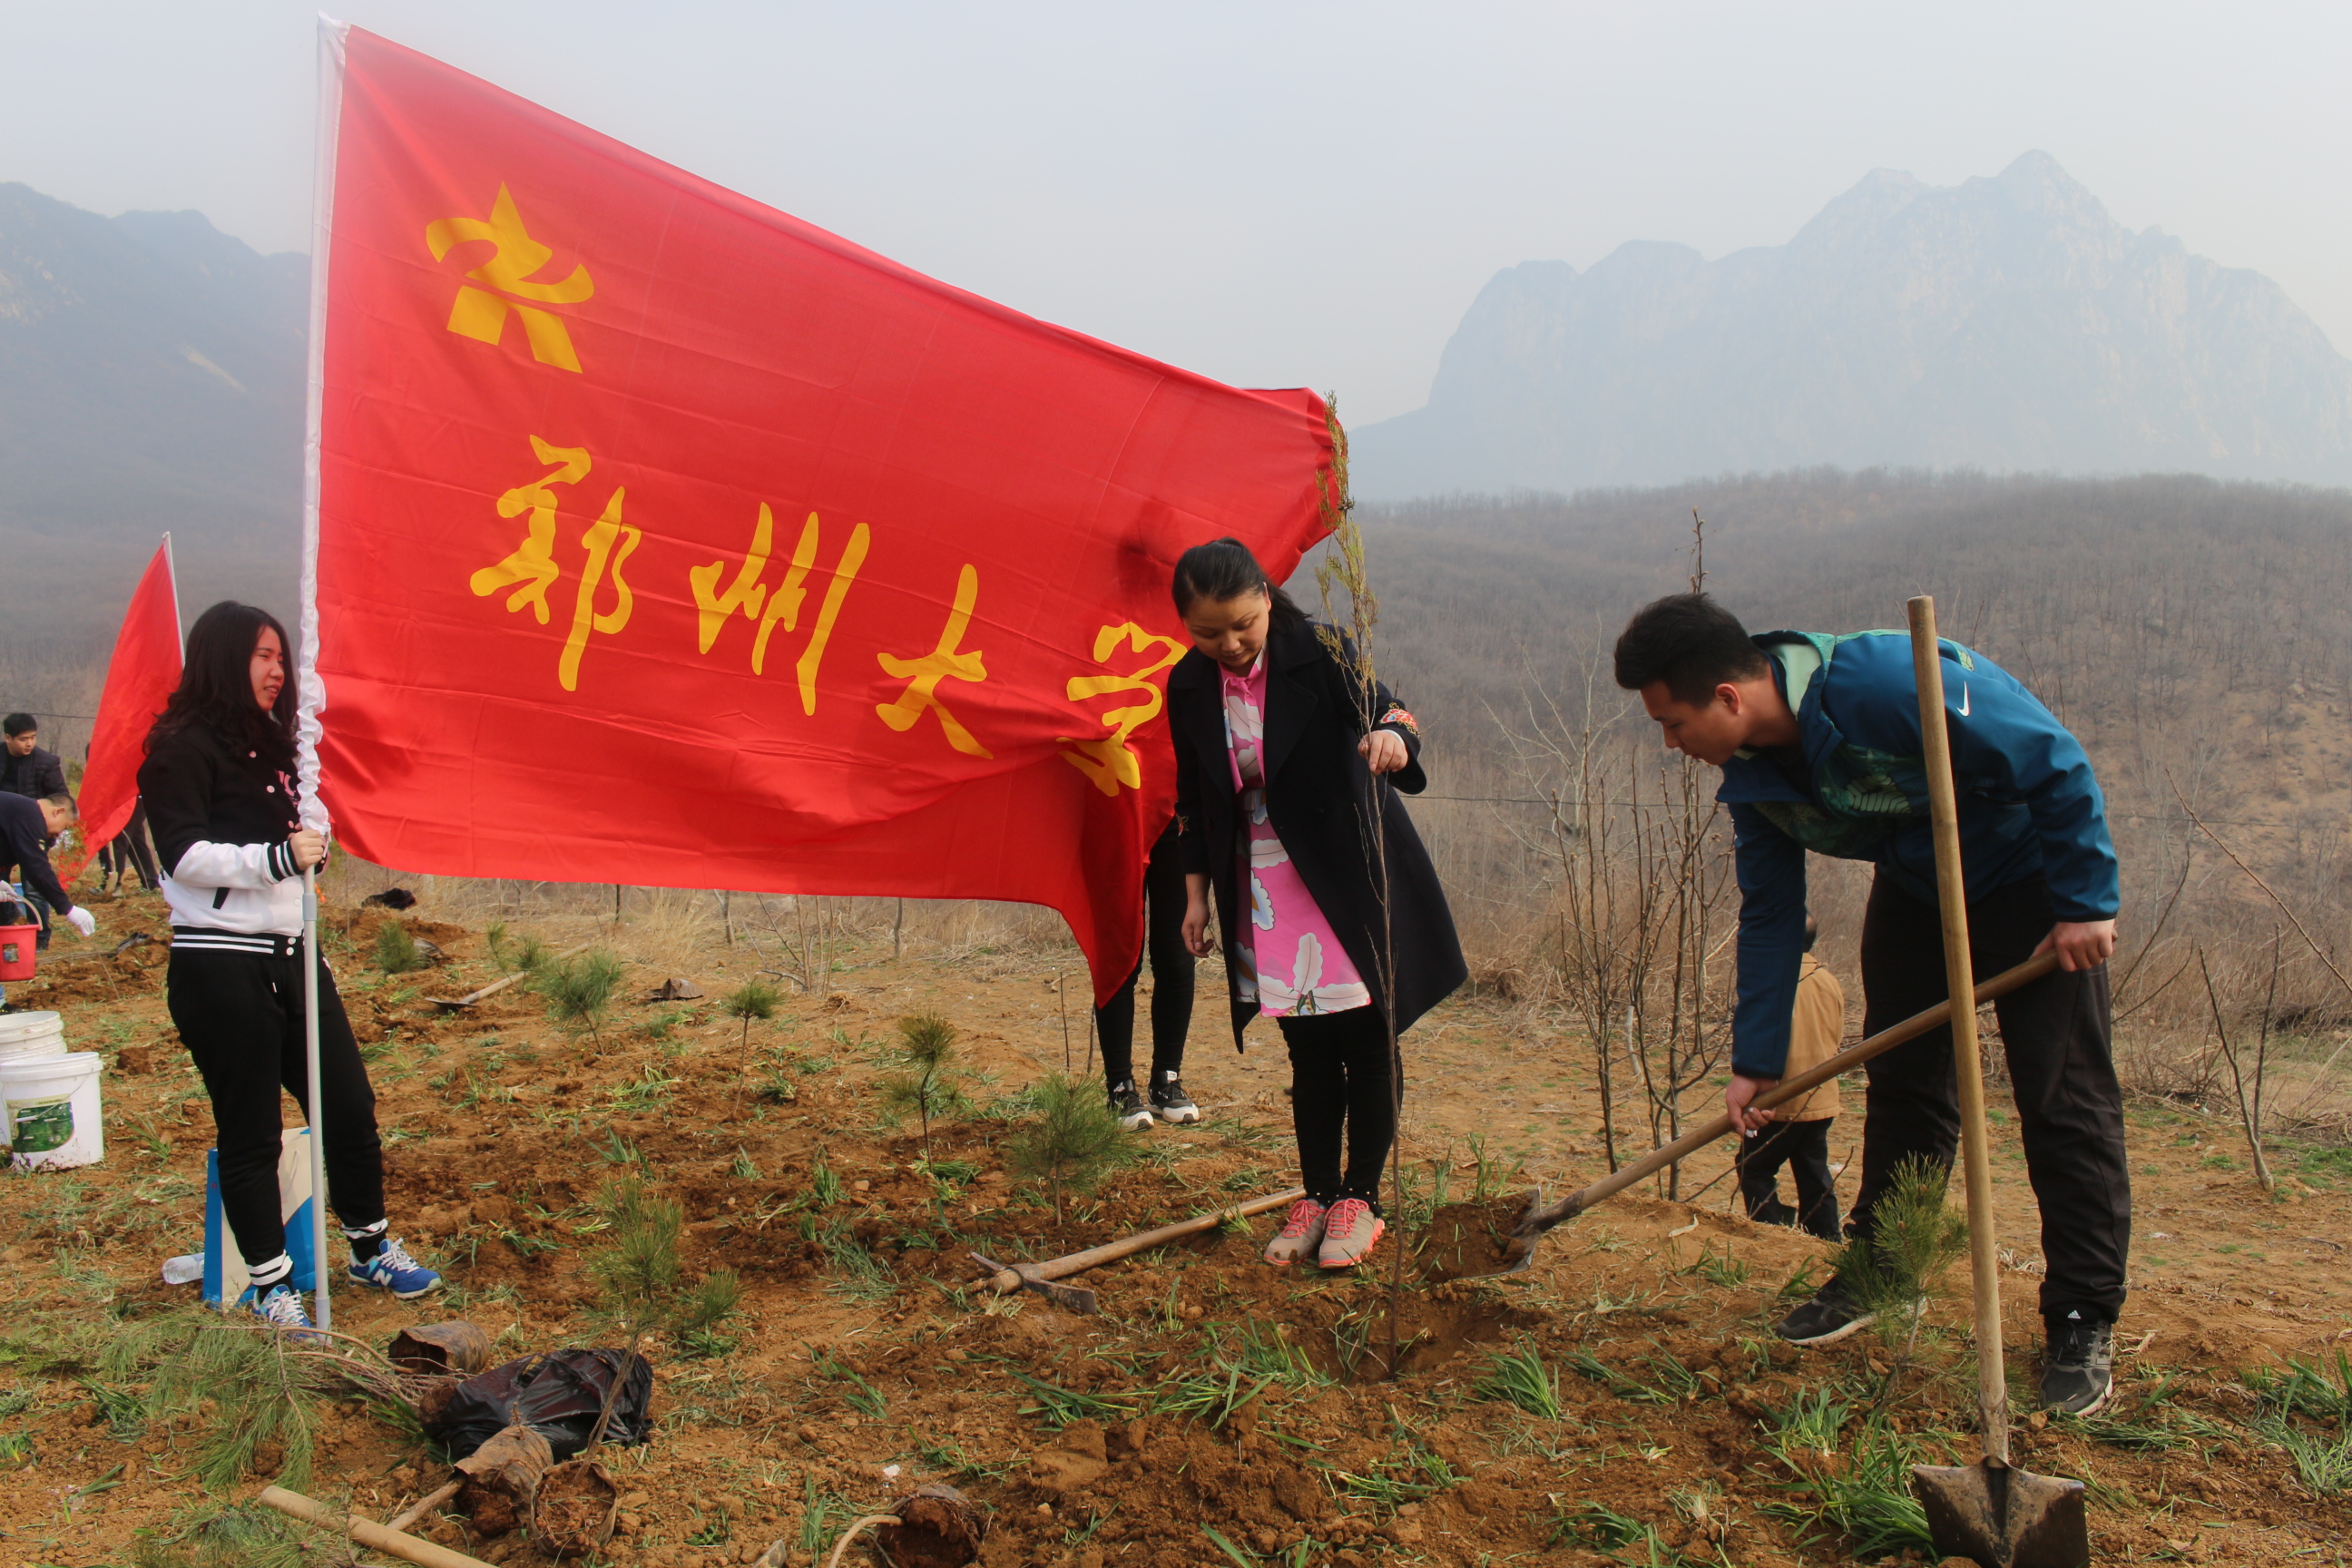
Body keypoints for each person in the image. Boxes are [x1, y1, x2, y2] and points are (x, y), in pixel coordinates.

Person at [1612, 593, 2127, 1416]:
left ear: (1728, 698)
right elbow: (1773, 920)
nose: (1673, 745)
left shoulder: (1880, 682)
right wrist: (1755, 1065)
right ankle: (1886, 1267)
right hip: (1920, 884)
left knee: (2063, 1099)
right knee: (1905, 1081)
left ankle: (2081, 1315)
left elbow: (2051, 755)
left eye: (1673, 724)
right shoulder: (1754, 778)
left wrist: (2086, 900)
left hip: (2031, 878)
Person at [137, 601, 440, 1332]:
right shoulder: (179, 747)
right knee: (252, 1134)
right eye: (264, 656)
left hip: (296, 954)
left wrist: (310, 842)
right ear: (223, 657)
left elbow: (301, 840)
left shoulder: (281, 748)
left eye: (283, 658)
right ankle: (273, 1285)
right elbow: (182, 854)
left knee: (348, 1107)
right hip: (220, 965)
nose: (278, 672)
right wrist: (276, 857)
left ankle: (370, 1246)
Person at [1169, 538, 1466, 1271]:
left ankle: (1361, 1199)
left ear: (1267, 599)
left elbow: (1393, 710)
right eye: (1208, 633)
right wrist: (1196, 898)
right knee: (1306, 1048)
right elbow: (1194, 802)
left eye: (1242, 624)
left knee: (1366, 1037)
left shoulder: (1320, 649)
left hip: (1344, 876)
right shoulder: (1188, 688)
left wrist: (1391, 739)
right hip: (1264, 887)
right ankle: (1317, 1193)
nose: (1229, 644)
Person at [1737, 917, 1844, 1241]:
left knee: (1753, 1167)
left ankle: (1773, 1237)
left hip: (1780, 1101)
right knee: (1813, 1171)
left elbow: (1757, 1046)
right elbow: (1835, 1037)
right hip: (1822, 1097)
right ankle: (1826, 1239)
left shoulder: (1772, 983)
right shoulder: (1829, 980)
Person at [1099, 818, 1199, 1131]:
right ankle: (1119, 1088)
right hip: (1119, 814)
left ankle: (1166, 1082)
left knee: (1177, 957)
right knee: (1120, 958)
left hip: (1176, 820)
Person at [0, 791, 97, 1007]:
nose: (58, 833)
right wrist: (68, 908)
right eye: (63, 827)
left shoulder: (19, 812)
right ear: (58, 811)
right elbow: (36, 866)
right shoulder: (29, 815)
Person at [1, 715, 68, 803]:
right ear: (8, 738)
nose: (29, 744)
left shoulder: (47, 762)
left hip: (32, 813)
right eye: (23, 739)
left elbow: (62, 797)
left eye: (33, 737)